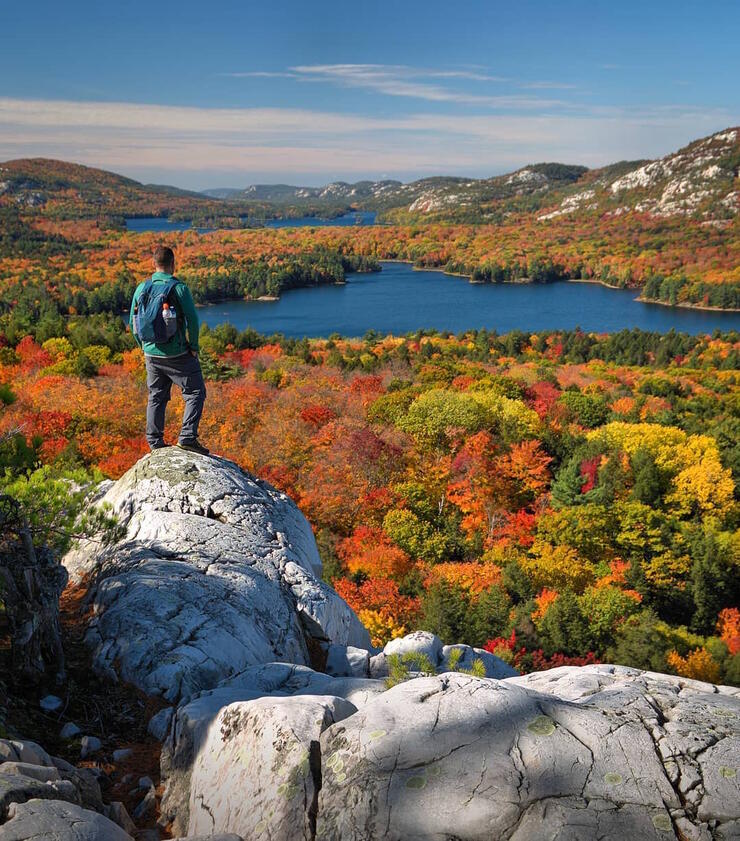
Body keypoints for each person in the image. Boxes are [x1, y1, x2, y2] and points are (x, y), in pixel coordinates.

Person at [129, 246, 209, 454]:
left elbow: (133, 322)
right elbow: (193, 319)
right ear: (173, 264)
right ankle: (187, 438)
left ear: (153, 264)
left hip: (151, 354)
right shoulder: (178, 288)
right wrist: (194, 347)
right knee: (195, 392)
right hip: (177, 354)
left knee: (156, 395)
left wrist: (144, 348)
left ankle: (155, 443)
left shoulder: (141, 288)